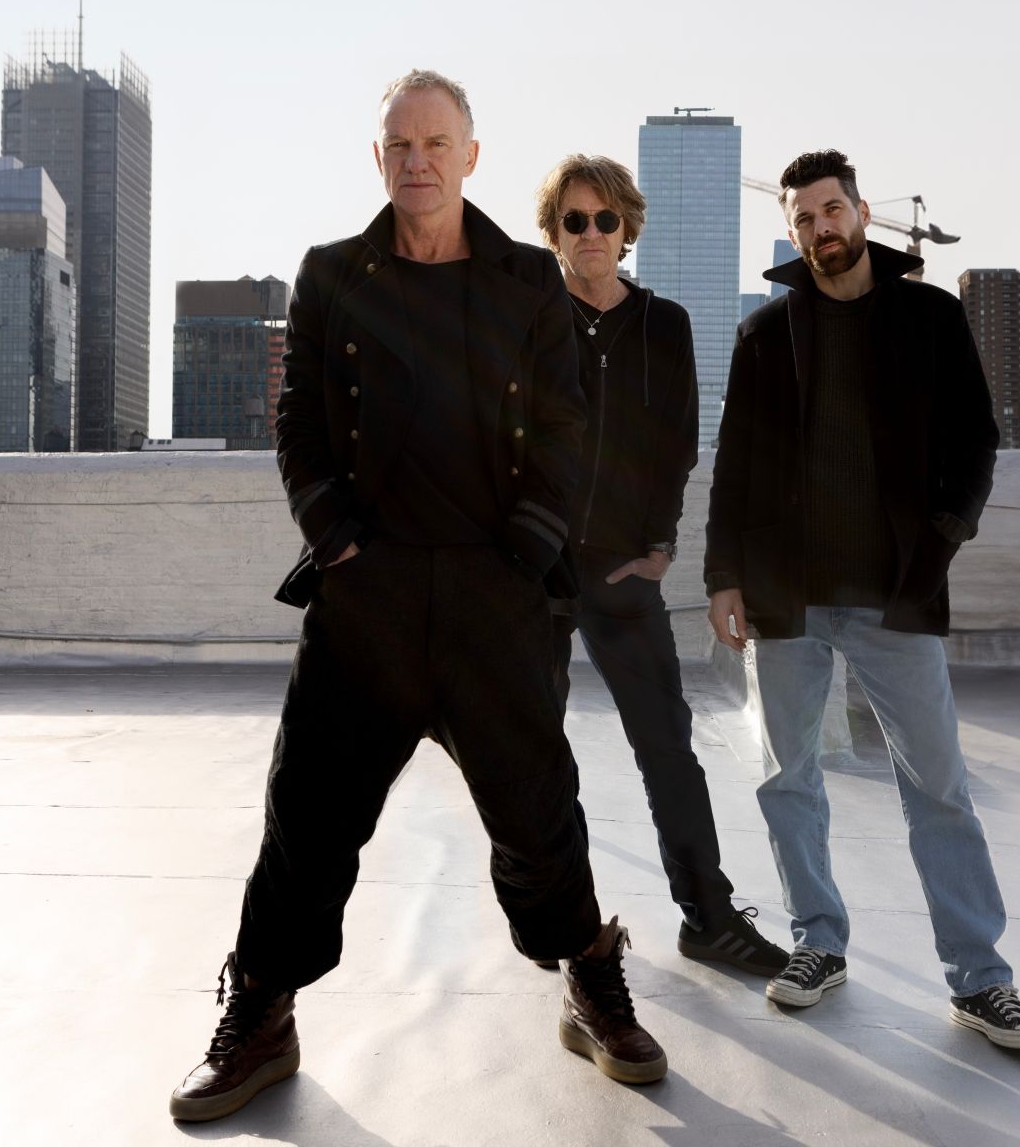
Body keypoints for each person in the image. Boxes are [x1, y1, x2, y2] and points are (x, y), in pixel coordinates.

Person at [169, 71, 667, 1123]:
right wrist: (337, 541)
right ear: (379, 157)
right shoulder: (332, 275)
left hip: (494, 593)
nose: (418, 160)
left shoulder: (526, 279)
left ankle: (589, 973)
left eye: (437, 143)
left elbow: (567, 429)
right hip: (369, 595)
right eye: (400, 143)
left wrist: (523, 557)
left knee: (536, 809)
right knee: (308, 813)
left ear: (470, 156)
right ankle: (261, 1011)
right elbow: (298, 420)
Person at [704, 148, 1020, 1050]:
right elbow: (735, 465)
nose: (820, 228)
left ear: (861, 213)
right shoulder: (764, 333)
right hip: (786, 595)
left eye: (832, 210)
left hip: (896, 592)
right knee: (789, 779)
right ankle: (818, 943)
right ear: (792, 233)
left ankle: (981, 979)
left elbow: (976, 440)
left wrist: (943, 538)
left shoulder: (931, 316)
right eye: (803, 218)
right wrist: (722, 576)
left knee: (938, 786)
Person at [533, 154, 787, 976]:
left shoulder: (664, 325)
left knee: (667, 747)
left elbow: (677, 444)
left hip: (621, 572)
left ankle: (708, 916)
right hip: (535, 571)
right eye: (575, 220)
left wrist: (659, 547)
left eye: (605, 219)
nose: (592, 234)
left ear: (627, 228)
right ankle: (569, 928)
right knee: (535, 755)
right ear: (554, 232)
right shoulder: (529, 317)